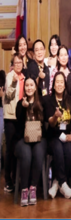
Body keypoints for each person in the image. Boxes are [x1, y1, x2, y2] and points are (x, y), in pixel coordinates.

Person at [14, 77, 47, 206]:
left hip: (39, 138)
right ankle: (24, 188)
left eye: (31, 85)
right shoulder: (19, 104)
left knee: (38, 153)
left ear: (35, 87)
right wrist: (23, 109)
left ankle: (33, 187)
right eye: (26, 85)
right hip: (23, 139)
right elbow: (19, 125)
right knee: (27, 155)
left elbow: (45, 123)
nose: (29, 87)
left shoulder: (41, 103)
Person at [43, 72, 71, 199]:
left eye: (62, 81)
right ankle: (63, 183)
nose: (60, 84)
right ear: (54, 85)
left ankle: (57, 182)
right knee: (58, 149)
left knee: (70, 151)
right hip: (53, 137)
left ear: (64, 84)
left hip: (66, 137)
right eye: (57, 82)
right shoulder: (49, 101)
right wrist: (55, 117)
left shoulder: (70, 101)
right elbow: (50, 123)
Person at [3, 54, 25, 192]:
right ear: (13, 64)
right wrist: (14, 82)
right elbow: (9, 95)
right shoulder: (10, 76)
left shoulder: (24, 77)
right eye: (16, 62)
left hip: (20, 118)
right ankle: (8, 180)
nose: (18, 64)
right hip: (10, 117)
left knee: (18, 148)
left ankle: (17, 178)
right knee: (10, 149)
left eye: (20, 62)